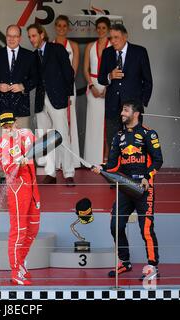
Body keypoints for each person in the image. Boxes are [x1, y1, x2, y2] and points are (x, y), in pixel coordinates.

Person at [92, 100, 163, 280]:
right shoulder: (118, 136)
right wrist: (100, 169)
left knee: (145, 228)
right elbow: (113, 165)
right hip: (124, 188)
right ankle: (125, 262)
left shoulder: (149, 134)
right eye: (122, 110)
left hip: (144, 189)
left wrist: (148, 177)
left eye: (125, 110)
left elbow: (158, 160)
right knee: (116, 225)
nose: (122, 113)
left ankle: (152, 266)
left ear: (136, 113)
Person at [0, 24, 37, 184]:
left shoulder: (29, 56)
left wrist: (23, 86)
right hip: (2, 107)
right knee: (4, 142)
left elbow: (35, 78)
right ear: (5, 36)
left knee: (23, 142)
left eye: (15, 36)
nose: (12, 39)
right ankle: (4, 174)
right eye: (9, 35)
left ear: (20, 38)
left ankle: (23, 173)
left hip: (21, 107)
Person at [27, 23, 75, 186]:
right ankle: (50, 173)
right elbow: (33, 80)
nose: (31, 39)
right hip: (41, 102)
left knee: (62, 136)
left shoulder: (57, 49)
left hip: (58, 99)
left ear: (42, 34)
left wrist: (68, 96)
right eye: (29, 37)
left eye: (33, 35)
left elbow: (69, 73)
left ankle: (68, 173)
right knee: (45, 138)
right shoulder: (33, 56)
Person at [0, 111, 40, 285]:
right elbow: (7, 168)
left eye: (11, 125)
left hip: (32, 185)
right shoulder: (2, 145)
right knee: (19, 230)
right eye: (5, 127)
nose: (9, 129)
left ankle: (21, 262)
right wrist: (18, 162)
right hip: (17, 189)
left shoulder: (27, 134)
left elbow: (38, 147)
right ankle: (15, 271)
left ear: (16, 122)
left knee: (33, 228)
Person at [98, 24, 153, 154]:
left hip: (133, 107)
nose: (113, 41)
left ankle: (134, 170)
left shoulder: (140, 52)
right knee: (113, 141)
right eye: (111, 38)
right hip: (112, 105)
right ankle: (115, 171)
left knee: (135, 141)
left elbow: (148, 80)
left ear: (125, 36)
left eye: (116, 37)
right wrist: (110, 76)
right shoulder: (107, 53)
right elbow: (101, 78)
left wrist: (141, 104)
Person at [83, 17, 111, 165]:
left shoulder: (113, 45)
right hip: (93, 87)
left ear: (108, 29)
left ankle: (106, 159)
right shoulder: (90, 46)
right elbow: (85, 69)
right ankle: (91, 159)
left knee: (107, 124)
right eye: (98, 28)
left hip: (108, 87)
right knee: (94, 124)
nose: (100, 30)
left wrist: (108, 87)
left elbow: (116, 69)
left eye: (103, 28)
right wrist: (91, 86)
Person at [53, 15, 80, 168]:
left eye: (64, 26)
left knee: (69, 122)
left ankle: (71, 160)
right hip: (53, 91)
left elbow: (73, 71)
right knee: (56, 124)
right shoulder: (49, 44)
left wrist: (65, 87)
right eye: (59, 25)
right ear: (55, 27)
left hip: (68, 88)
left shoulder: (73, 45)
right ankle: (56, 161)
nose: (62, 28)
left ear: (68, 28)